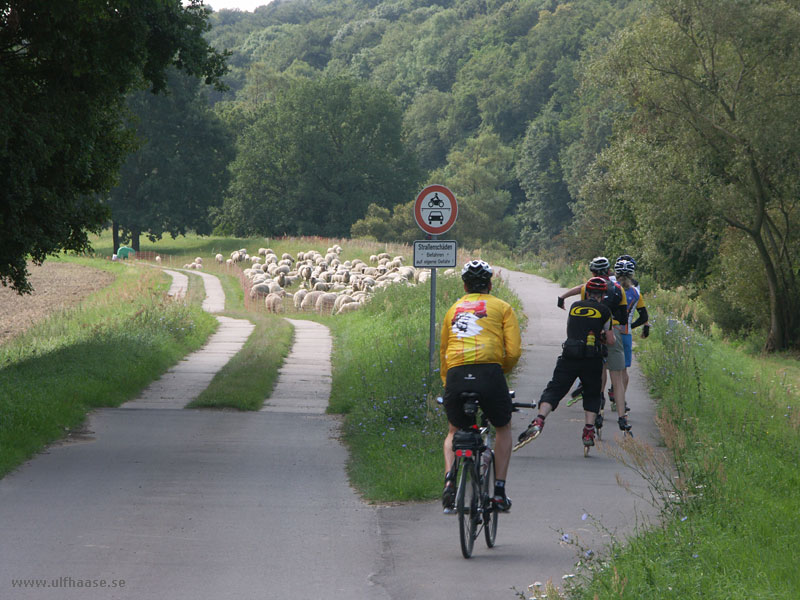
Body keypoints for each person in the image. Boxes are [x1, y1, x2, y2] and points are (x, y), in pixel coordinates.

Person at [440, 260, 522, 513]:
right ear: (489, 285)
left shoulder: (453, 309)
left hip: (455, 373)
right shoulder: (503, 307)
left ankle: (449, 482)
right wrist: (501, 370)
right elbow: (514, 351)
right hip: (489, 372)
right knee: (503, 427)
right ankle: (498, 491)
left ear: (465, 286)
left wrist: (448, 381)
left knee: (454, 430)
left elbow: (444, 351)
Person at [515, 277, 615, 450]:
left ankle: (539, 419)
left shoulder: (575, 306)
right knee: (592, 393)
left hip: (570, 354)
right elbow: (611, 340)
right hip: (592, 359)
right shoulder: (605, 311)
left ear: (587, 293)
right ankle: (588, 430)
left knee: (555, 389)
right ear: (603, 295)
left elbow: (571, 330)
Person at [558, 256, 629, 433]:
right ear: (609, 272)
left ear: (592, 272)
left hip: (593, 336)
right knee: (617, 378)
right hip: (613, 333)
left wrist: (562, 296)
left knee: (598, 375)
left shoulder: (587, 288)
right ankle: (622, 417)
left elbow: (579, 292)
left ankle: (597, 410)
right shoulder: (619, 289)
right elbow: (624, 318)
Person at [612, 259, 650, 409]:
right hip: (625, 333)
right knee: (623, 371)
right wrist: (631, 326)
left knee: (605, 368)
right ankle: (619, 401)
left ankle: (599, 399)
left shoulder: (611, 289)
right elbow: (644, 317)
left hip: (609, 331)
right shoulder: (636, 293)